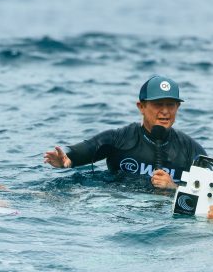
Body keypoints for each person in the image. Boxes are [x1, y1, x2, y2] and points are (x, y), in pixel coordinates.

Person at [44, 75, 207, 189]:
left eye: (171, 105)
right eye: (158, 104)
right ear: (141, 107)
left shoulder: (191, 150)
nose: (165, 111)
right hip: (122, 210)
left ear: (177, 107)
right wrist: (67, 160)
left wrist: (174, 188)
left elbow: (208, 192)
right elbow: (85, 149)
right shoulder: (120, 138)